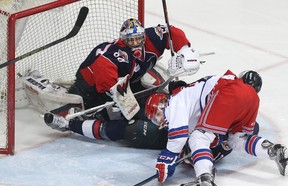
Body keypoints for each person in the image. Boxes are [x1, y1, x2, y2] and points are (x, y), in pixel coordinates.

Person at [44, 18, 200, 149]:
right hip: (92, 86)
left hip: (127, 81)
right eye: (130, 40)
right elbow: (107, 78)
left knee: (137, 117)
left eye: (138, 38)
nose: (135, 43)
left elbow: (170, 32)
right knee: (121, 120)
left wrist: (184, 51)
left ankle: (78, 121)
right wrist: (123, 103)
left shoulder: (152, 38)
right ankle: (69, 122)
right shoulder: (117, 55)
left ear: (143, 36)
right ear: (123, 40)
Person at [145, 70, 288, 186]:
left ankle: (204, 183)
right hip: (251, 98)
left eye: (157, 114)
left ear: (163, 102)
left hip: (229, 92)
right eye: (154, 119)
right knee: (237, 139)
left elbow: (179, 137)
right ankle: (273, 150)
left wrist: (166, 158)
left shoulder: (174, 103)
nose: (158, 120)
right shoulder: (186, 100)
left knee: (198, 137)